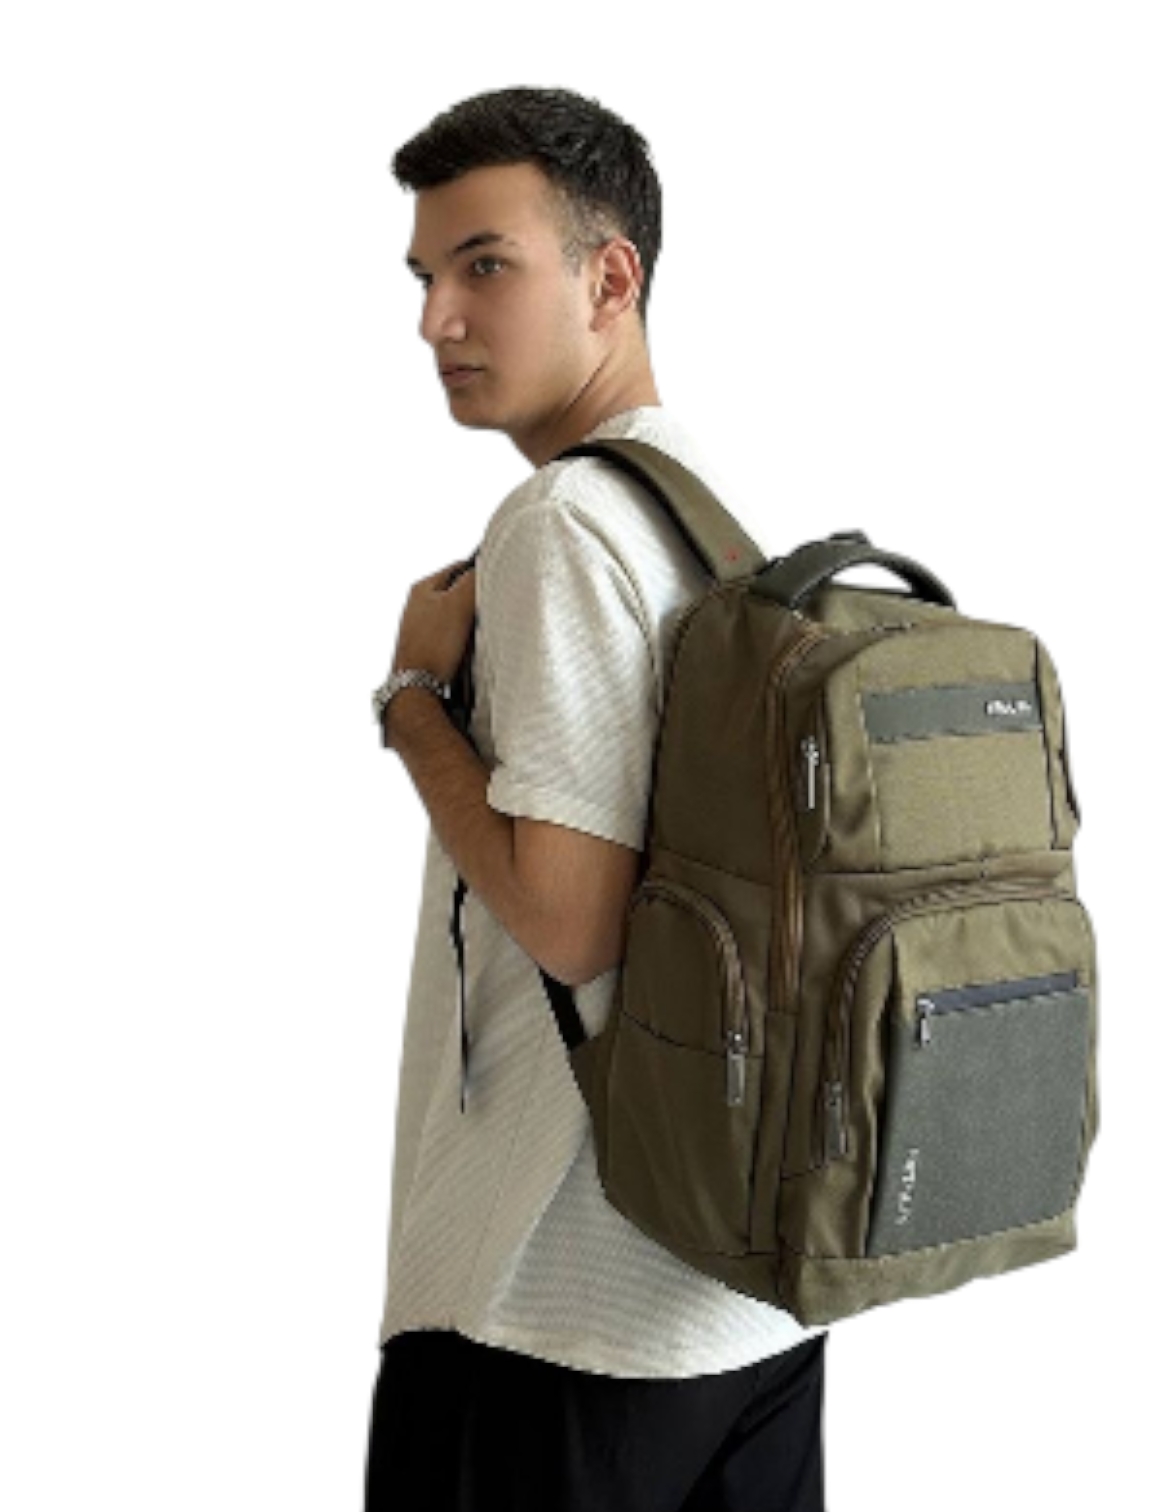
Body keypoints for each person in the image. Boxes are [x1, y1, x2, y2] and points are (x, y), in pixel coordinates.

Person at [365, 86, 831, 1511]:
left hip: (553, 1302)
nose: (437, 319)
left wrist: (412, 703)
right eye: (424, 276)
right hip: (744, 1294)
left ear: (610, 278)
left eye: (484, 266)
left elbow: (571, 921)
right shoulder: (712, 509)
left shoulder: (563, 522)